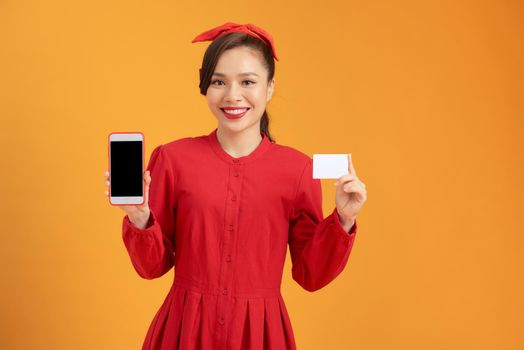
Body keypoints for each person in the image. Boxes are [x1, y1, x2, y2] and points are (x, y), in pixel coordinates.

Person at [104, 22, 367, 350]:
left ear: (269, 88)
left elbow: (310, 275)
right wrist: (139, 217)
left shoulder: (299, 170)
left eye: (247, 82)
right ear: (205, 87)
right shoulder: (172, 159)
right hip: (183, 331)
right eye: (219, 82)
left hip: (260, 334)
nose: (232, 95)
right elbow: (152, 267)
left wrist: (342, 220)